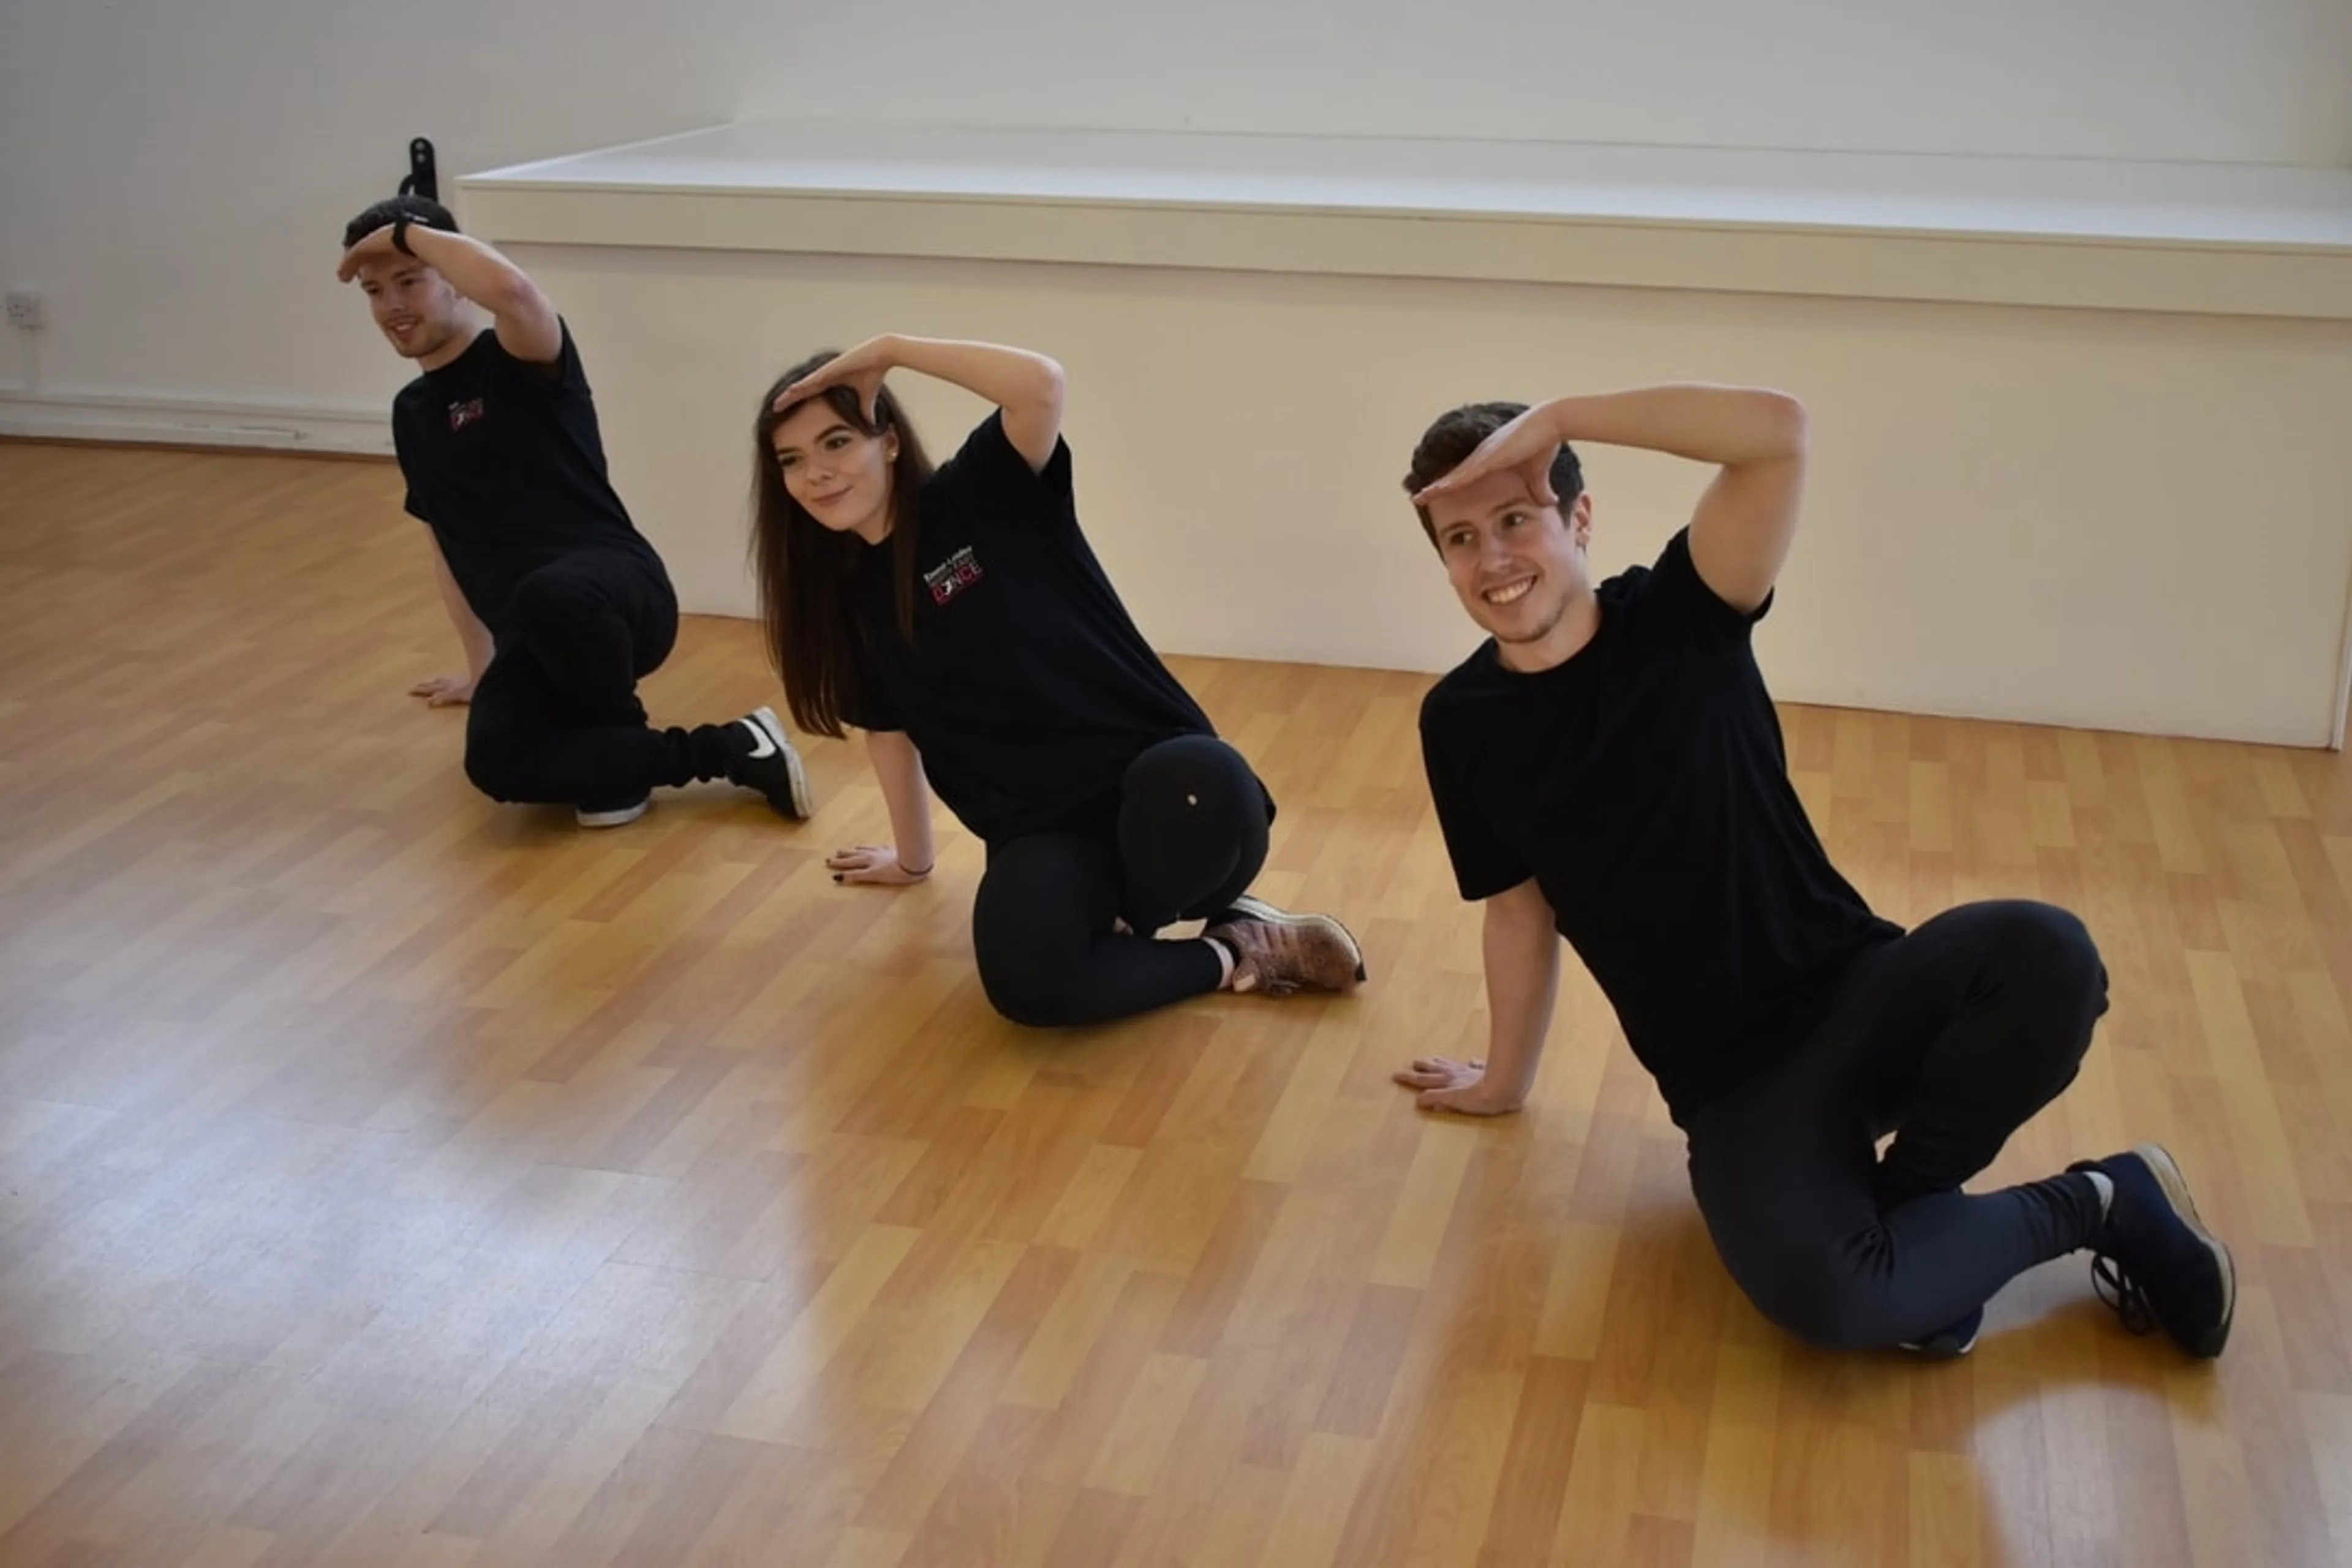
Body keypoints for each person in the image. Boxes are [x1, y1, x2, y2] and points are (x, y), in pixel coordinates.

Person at [1395, 383, 2233, 1360]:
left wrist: (1562, 417)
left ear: (1579, 516)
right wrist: (1503, 1081)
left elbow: (1777, 434)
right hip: (1735, 1093)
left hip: (1864, 1000)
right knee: (1831, 1300)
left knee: (2050, 954)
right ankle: (2099, 1202)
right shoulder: (1460, 723)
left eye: (1516, 518)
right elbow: (1517, 911)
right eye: (1461, 539)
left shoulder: (1685, 610)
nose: (1493, 559)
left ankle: (1915, 1218)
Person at [750, 334, 1364, 1023]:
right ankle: (1239, 952)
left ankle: (1128, 930)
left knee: (1204, 779)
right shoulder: (844, 599)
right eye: (793, 460)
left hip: (1173, 803)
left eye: (837, 443)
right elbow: (890, 730)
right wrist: (915, 860)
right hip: (1045, 834)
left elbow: (1040, 385)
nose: (817, 474)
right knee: (1023, 982)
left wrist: (891, 351)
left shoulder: (982, 494)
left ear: (888, 442)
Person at [336, 194, 809, 828]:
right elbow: (447, 543)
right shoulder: (411, 413)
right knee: (494, 761)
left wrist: (407, 233)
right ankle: (731, 746)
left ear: (454, 281)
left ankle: (615, 738)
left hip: (619, 598)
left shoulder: (523, 353)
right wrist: (485, 670)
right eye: (373, 290)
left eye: (409, 281)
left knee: (549, 594)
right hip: (533, 637)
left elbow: (514, 289)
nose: (392, 305)